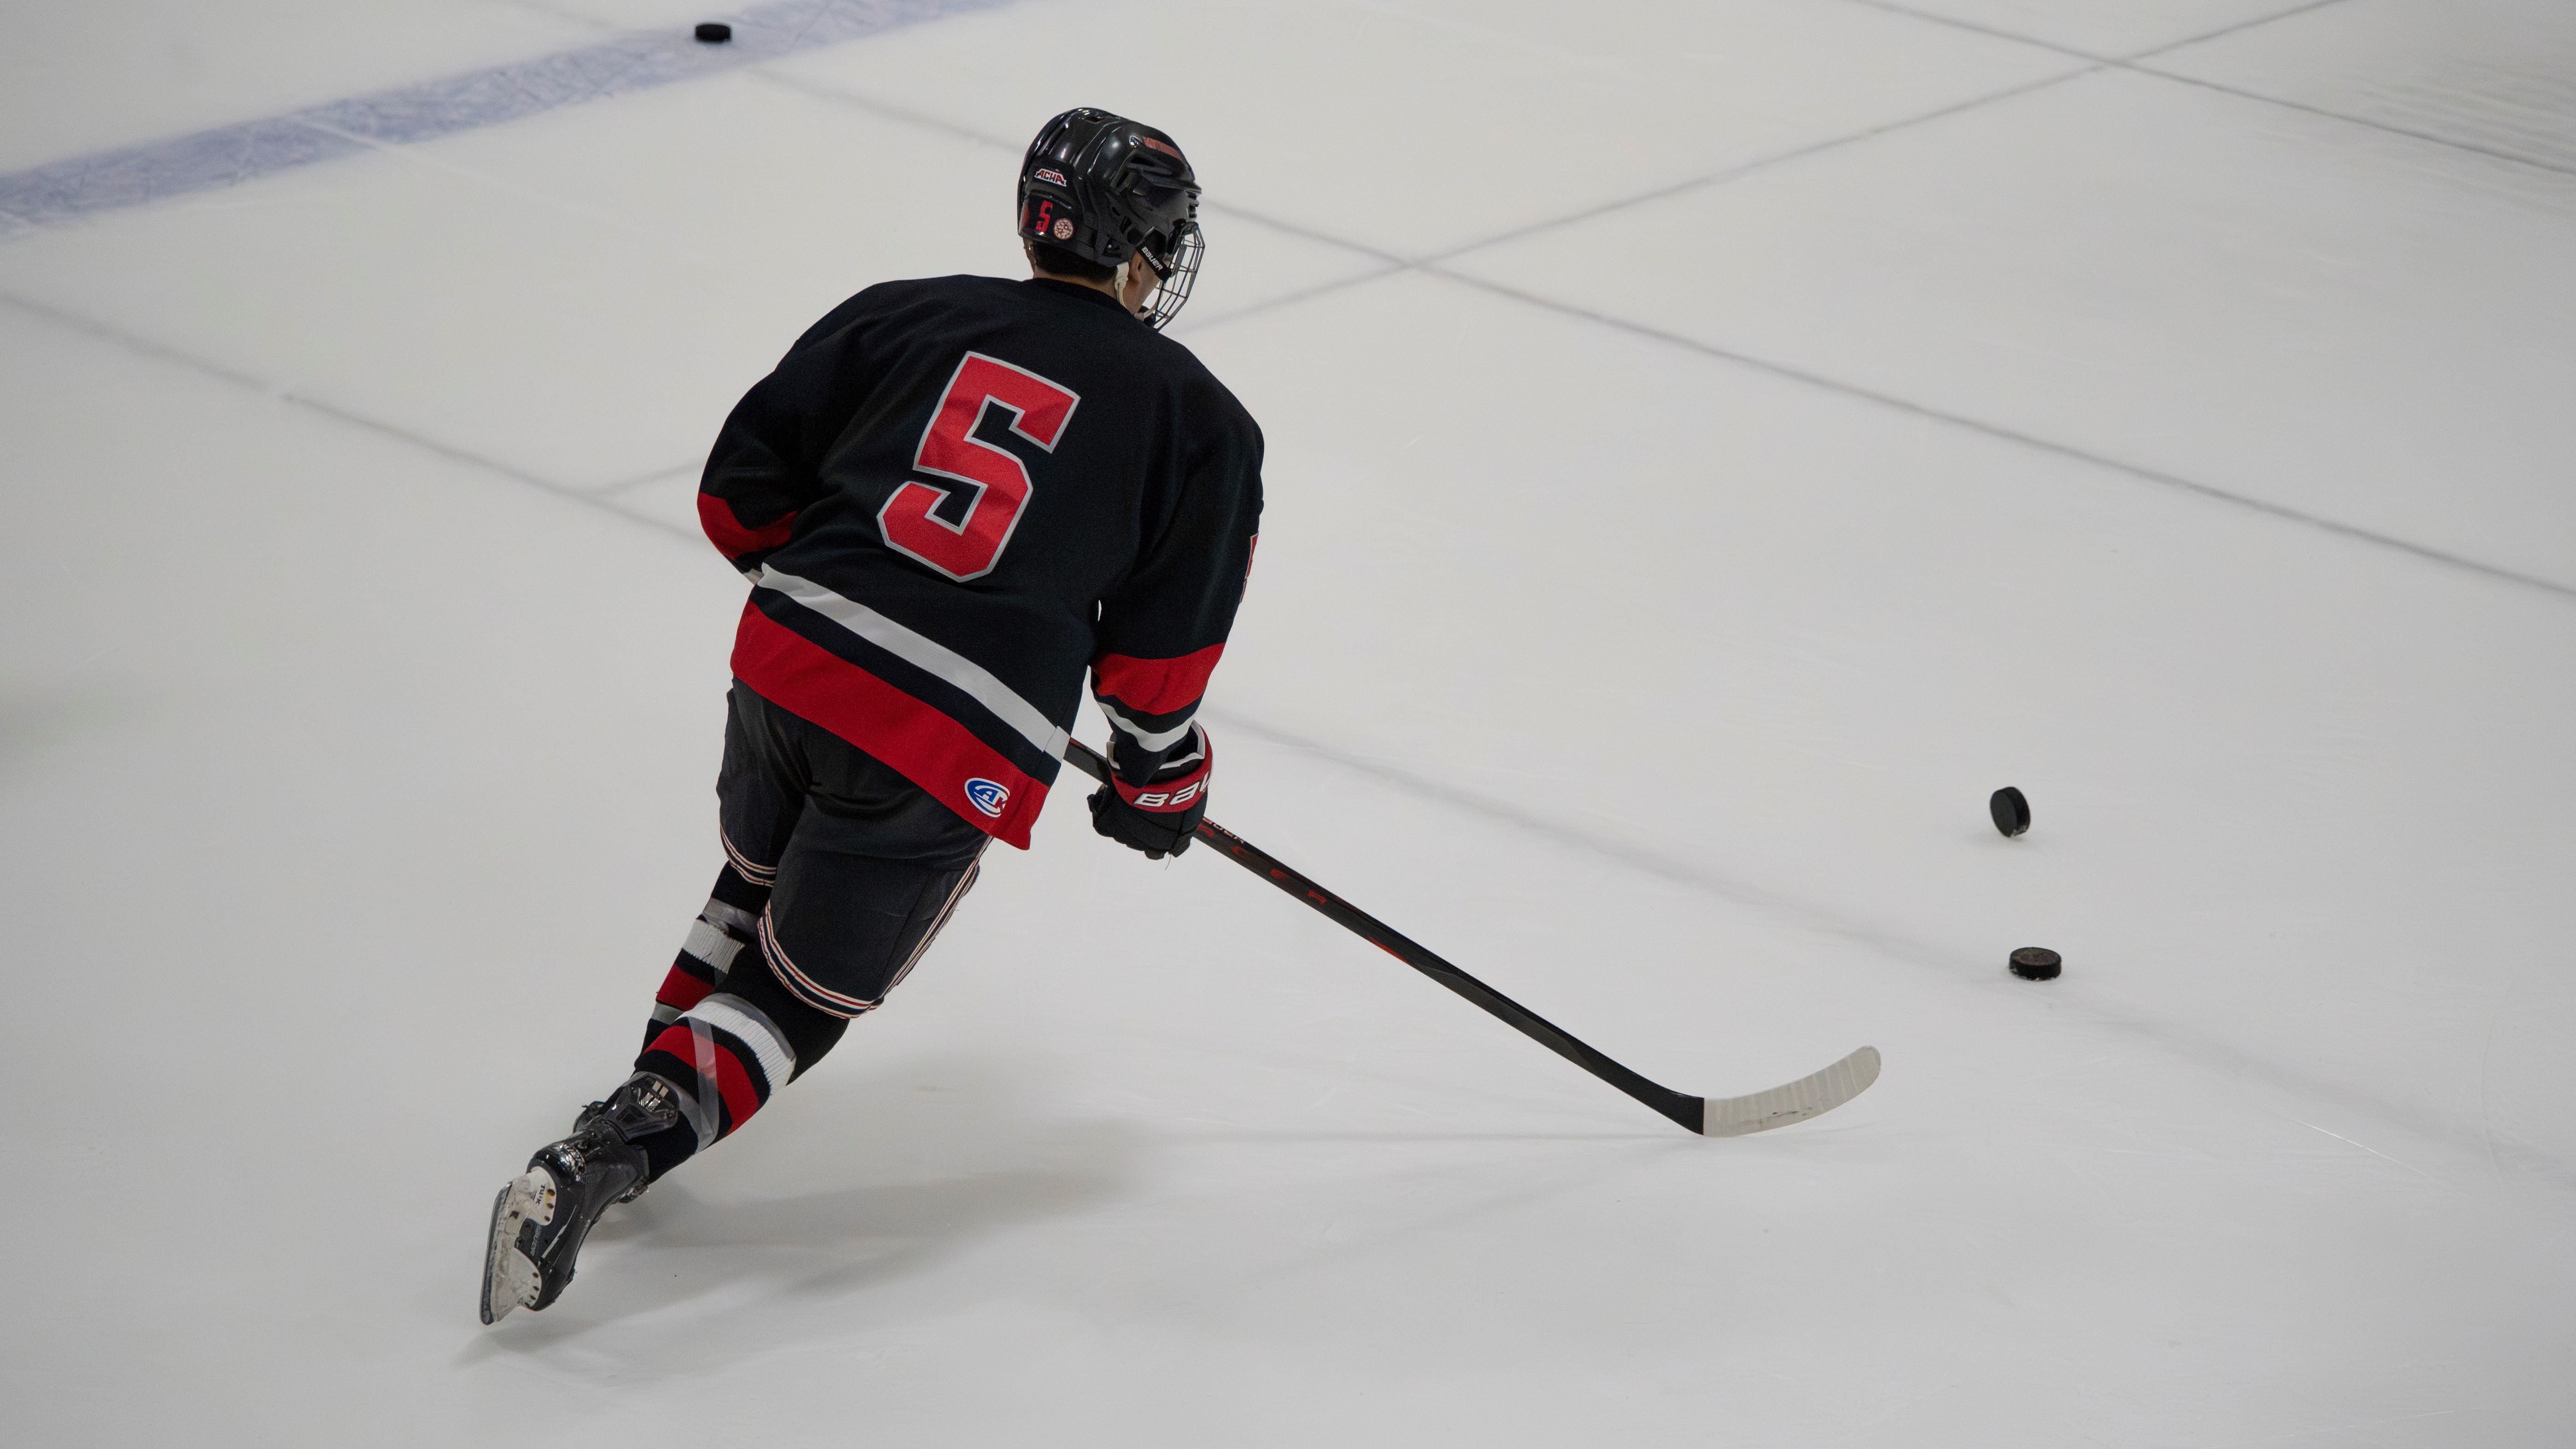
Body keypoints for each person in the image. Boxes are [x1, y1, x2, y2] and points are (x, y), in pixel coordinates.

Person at [481, 107, 1263, 1325]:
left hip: (786, 669)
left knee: (754, 881)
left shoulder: (902, 313)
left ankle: (651, 1090)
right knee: (800, 994)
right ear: (1139, 248)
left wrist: (840, 604)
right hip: (943, 745)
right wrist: (1162, 777)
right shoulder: (1200, 419)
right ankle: (613, 1147)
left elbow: (740, 495)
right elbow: (1156, 665)